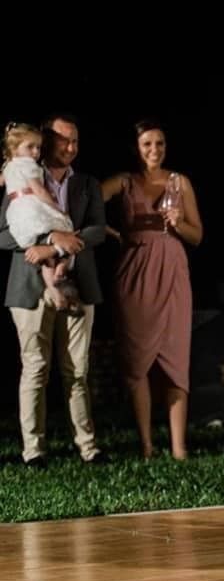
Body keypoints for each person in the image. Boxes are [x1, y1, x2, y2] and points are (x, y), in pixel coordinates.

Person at [0, 113, 107, 467]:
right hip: (30, 288)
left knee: (76, 370)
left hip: (78, 282)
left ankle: (88, 447)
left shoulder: (87, 183)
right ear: (47, 141)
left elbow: (97, 230)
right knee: (35, 368)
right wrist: (47, 238)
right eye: (64, 141)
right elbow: (4, 233)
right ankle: (34, 451)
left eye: (76, 141)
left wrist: (57, 248)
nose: (71, 148)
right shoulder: (23, 174)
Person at [101, 120, 203, 460]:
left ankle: (178, 447)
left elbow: (197, 236)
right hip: (134, 275)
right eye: (147, 144)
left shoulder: (180, 182)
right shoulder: (125, 182)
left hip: (172, 273)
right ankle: (146, 446)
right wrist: (112, 234)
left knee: (176, 357)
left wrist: (177, 223)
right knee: (138, 359)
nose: (154, 149)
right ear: (137, 147)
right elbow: (85, 200)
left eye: (159, 143)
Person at [2, 123, 79, 312]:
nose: (36, 152)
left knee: (48, 259)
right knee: (66, 227)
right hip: (32, 208)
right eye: (30, 147)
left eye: (38, 146)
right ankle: (62, 265)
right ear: (14, 148)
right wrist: (56, 208)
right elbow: (38, 190)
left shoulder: (9, 166)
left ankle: (56, 291)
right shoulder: (29, 166)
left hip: (18, 212)